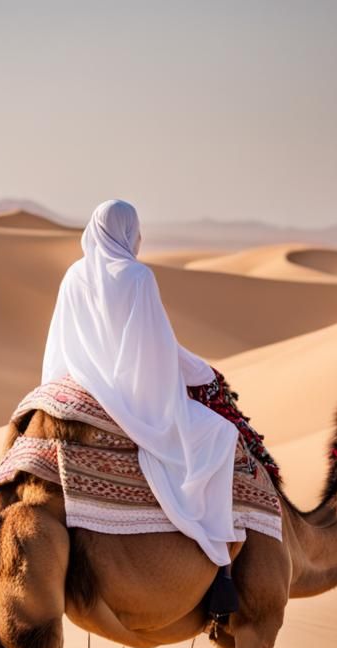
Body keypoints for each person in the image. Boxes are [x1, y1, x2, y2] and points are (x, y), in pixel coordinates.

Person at [40, 198, 240, 615]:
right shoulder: (137, 277)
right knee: (223, 434)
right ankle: (222, 564)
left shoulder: (73, 276)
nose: (141, 238)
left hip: (74, 382)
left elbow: (60, 343)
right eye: (137, 230)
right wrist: (199, 371)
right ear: (128, 232)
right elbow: (155, 351)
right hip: (130, 395)